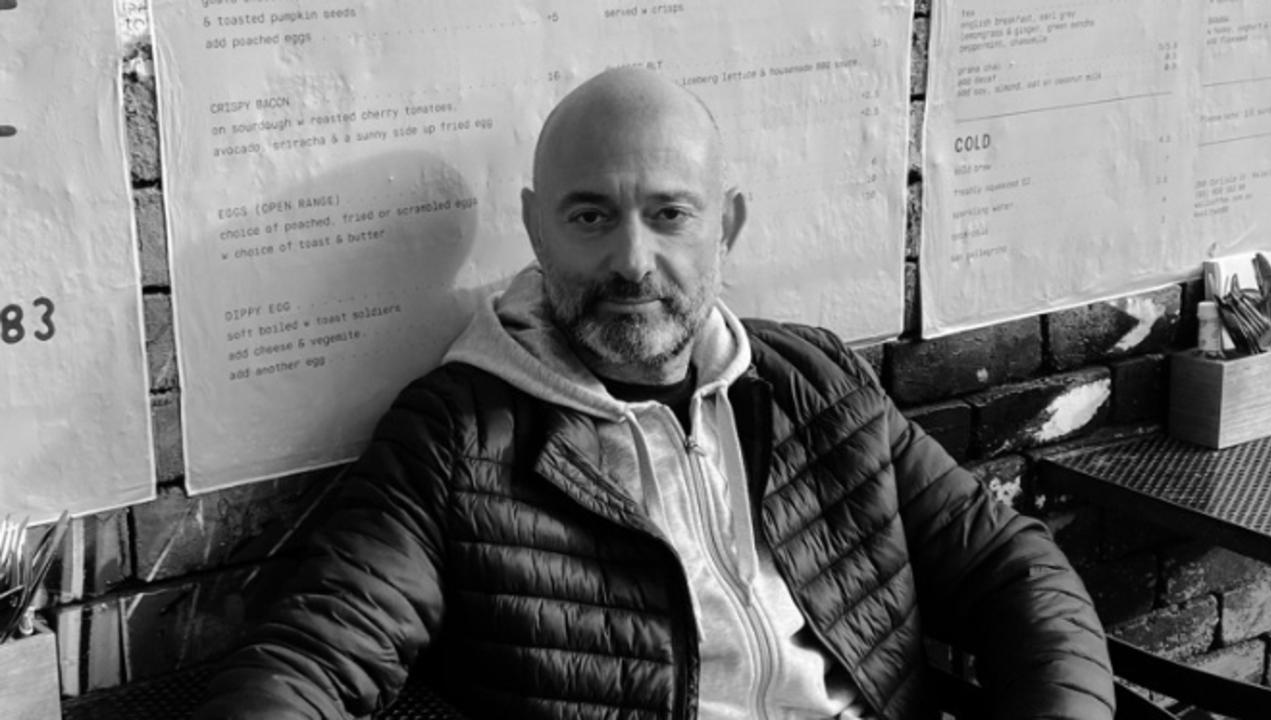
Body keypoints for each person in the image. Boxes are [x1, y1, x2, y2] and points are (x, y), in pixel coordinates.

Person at [195, 68, 1114, 720]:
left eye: (670, 214)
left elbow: (1012, 569)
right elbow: (311, 658)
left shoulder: (816, 381)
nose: (632, 261)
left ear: (727, 227)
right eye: (591, 216)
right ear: (537, 229)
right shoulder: (457, 437)